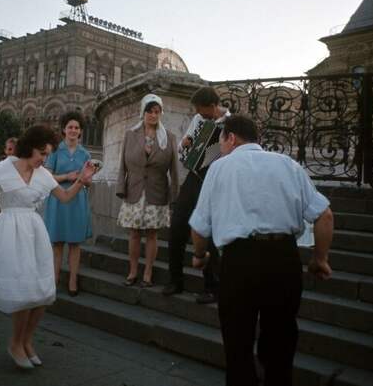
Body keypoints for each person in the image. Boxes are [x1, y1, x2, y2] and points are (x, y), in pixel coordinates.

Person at [189, 115, 333, 386]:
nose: (220, 147)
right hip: (283, 259)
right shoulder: (288, 165)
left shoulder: (219, 168)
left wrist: (199, 256)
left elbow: (199, 227)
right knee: (281, 342)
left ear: (230, 138)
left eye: (220, 141)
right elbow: (324, 215)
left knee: (237, 342)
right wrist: (320, 259)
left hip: (238, 261)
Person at [0, 125, 96, 369]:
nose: (44, 159)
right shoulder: (2, 168)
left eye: (47, 154)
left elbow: (64, 198)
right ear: (30, 147)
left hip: (34, 232)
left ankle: (27, 340)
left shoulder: (43, 174)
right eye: (41, 153)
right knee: (22, 291)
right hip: (9, 232)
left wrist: (82, 182)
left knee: (42, 291)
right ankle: (15, 343)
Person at [161, 86, 229, 303]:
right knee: (178, 225)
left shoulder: (230, 123)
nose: (199, 114)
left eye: (202, 110)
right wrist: (185, 145)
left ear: (213, 106)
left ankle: (213, 286)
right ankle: (175, 280)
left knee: (207, 235)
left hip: (215, 180)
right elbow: (184, 148)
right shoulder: (198, 120)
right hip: (194, 177)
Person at [116, 94, 179, 287]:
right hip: (134, 191)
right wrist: (121, 187)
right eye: (149, 111)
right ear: (143, 112)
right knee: (134, 233)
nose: (153, 115)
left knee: (152, 234)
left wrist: (173, 196)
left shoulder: (169, 137)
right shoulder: (130, 134)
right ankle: (133, 271)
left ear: (161, 113)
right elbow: (122, 165)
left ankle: (148, 273)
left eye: (157, 111)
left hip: (157, 192)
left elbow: (174, 169)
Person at [44, 111, 92, 296]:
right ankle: (54, 281)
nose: (73, 130)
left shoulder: (85, 153)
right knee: (57, 244)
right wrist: (67, 176)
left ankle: (73, 281)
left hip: (78, 200)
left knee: (75, 244)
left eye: (77, 128)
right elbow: (46, 175)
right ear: (64, 129)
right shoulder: (55, 150)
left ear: (80, 131)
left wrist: (85, 179)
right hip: (57, 199)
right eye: (70, 127)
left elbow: (88, 180)